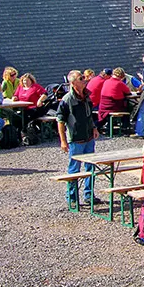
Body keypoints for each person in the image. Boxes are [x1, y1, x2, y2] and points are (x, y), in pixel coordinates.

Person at [56, 69, 100, 206]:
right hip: (75, 140)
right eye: (81, 78)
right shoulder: (67, 100)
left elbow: (89, 115)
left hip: (88, 138)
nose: (85, 80)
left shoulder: (86, 96)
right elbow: (60, 120)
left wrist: (94, 128)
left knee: (90, 168)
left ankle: (89, 195)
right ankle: (72, 198)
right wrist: (63, 140)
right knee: (74, 170)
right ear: (73, 82)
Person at [12, 73, 49, 138]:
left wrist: (40, 100)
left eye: (27, 80)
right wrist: (14, 98)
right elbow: (15, 95)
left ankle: (25, 133)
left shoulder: (35, 87)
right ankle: (17, 134)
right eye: (24, 80)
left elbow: (45, 94)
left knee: (25, 118)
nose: (25, 82)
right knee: (16, 117)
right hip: (23, 108)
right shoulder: (20, 87)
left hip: (34, 108)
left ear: (31, 80)